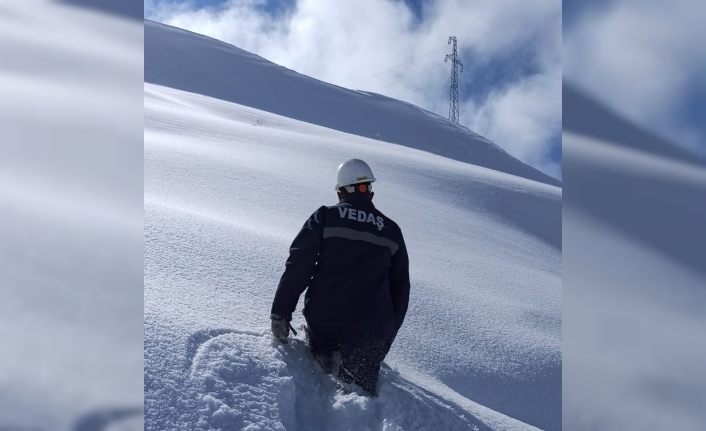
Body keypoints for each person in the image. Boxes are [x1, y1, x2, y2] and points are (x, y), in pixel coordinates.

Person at [270, 158, 410, 396]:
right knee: (359, 393)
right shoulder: (391, 231)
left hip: (325, 321)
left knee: (323, 347)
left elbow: (299, 264)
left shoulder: (325, 217)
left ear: (342, 191)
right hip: (370, 330)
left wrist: (280, 312)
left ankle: (322, 361)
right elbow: (401, 290)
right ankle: (357, 393)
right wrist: (384, 339)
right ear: (367, 191)